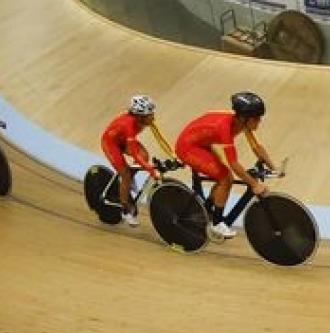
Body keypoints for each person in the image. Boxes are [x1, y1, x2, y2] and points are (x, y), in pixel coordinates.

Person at [173, 91, 280, 239]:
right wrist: (254, 184)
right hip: (187, 147)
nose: (259, 121)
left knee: (222, 175)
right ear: (243, 118)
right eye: (256, 118)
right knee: (226, 177)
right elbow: (234, 163)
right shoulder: (223, 127)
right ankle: (217, 224)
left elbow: (256, 147)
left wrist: (274, 168)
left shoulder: (242, 123)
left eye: (260, 118)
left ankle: (207, 208)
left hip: (202, 143)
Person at [101, 95, 174, 227]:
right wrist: (151, 170)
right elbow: (134, 153)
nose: (153, 117)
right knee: (126, 175)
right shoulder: (128, 124)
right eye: (150, 114)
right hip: (111, 144)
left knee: (144, 156)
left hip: (123, 140)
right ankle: (125, 210)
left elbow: (160, 139)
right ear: (140, 116)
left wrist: (173, 155)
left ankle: (127, 182)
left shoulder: (145, 120)